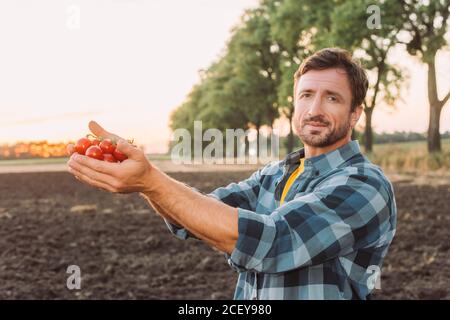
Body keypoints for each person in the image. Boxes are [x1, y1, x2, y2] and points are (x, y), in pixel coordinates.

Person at [66, 47, 397, 300]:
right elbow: (192, 216)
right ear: (294, 105)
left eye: (332, 98)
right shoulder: (276, 175)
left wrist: (151, 180)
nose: (314, 109)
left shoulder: (364, 184)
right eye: (306, 95)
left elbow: (273, 242)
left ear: (355, 114)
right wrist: (145, 181)